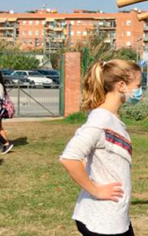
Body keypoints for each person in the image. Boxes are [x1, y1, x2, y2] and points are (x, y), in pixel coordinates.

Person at [60, 60, 142, 236]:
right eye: (138, 85)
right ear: (121, 86)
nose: (140, 90)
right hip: (103, 221)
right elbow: (69, 158)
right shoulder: (101, 120)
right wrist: (96, 190)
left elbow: (85, 157)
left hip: (115, 216)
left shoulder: (110, 118)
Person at [0, 69, 13, 154]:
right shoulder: (0, 84)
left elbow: (0, 98)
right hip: (0, 109)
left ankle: (5, 144)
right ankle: (5, 143)